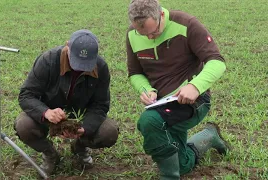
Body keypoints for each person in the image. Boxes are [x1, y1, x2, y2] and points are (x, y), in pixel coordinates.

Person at [126, 0, 230, 179]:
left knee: (150, 122)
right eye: (142, 33)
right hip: (160, 104)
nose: (150, 37)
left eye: (154, 31)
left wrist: (195, 86)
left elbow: (217, 61)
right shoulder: (131, 35)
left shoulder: (186, 24)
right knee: (182, 165)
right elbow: (135, 73)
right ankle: (209, 136)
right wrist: (146, 89)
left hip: (193, 101)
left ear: (161, 15)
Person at [14, 29, 119, 176]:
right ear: (67, 46)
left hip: (81, 118)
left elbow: (100, 105)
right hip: (49, 116)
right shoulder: (48, 61)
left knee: (109, 131)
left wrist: (85, 128)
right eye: (77, 60)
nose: (81, 67)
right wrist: (46, 112)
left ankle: (80, 147)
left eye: (86, 63)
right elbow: (26, 95)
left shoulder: (101, 67)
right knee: (23, 125)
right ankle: (50, 154)